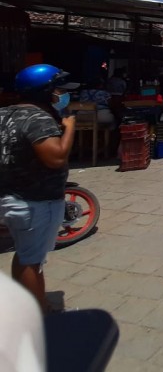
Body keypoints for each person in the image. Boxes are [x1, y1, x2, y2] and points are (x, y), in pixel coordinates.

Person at [0, 64, 78, 313]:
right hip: (34, 202)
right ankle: (36, 311)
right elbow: (56, 158)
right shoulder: (38, 118)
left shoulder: (4, 113)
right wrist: (69, 128)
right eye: (57, 90)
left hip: (12, 196)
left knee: (24, 255)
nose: (61, 95)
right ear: (43, 91)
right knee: (31, 260)